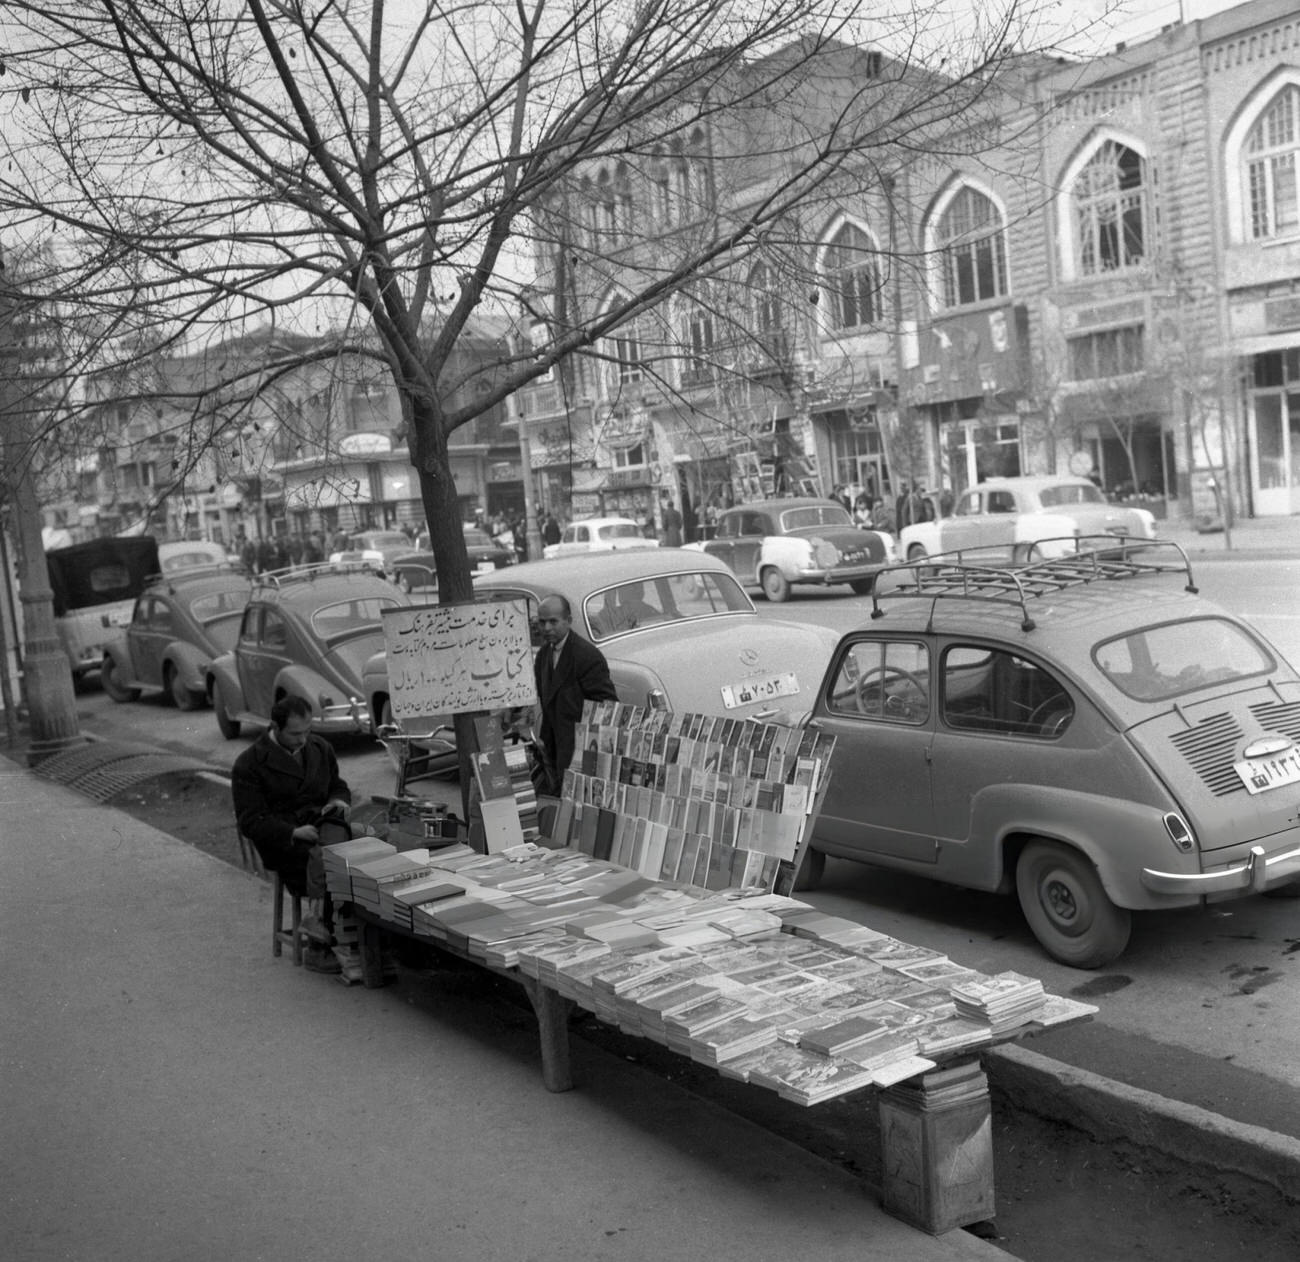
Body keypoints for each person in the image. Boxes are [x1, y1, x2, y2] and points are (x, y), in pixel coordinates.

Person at [231, 695, 353, 973]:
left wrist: (338, 801)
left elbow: (338, 784)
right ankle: (319, 946)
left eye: (307, 731)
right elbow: (250, 821)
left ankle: (329, 926)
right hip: (283, 841)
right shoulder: (249, 764)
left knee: (361, 850)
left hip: (321, 826)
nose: (303, 739)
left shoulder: (320, 748)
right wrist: (292, 831)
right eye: (295, 733)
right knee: (326, 859)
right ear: (275, 726)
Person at [533, 594, 617, 798]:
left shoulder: (587, 656)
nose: (546, 628)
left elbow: (608, 707)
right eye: (542, 622)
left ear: (568, 621)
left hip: (581, 755)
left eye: (553, 621)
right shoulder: (543, 655)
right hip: (554, 754)